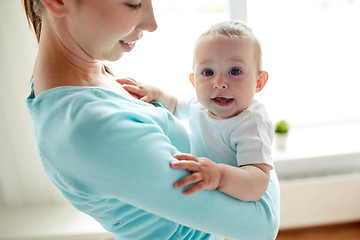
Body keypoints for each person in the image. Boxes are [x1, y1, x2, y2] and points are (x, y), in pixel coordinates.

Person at [24, 0, 280, 239]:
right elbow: (263, 225)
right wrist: (251, 142)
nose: (152, 23)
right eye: (134, 3)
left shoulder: (83, 72)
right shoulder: (92, 129)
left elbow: (182, 108)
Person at [118, 21, 273, 202]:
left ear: (259, 82)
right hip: (202, 189)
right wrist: (155, 93)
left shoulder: (251, 122)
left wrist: (220, 176)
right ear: (194, 81)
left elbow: (258, 183)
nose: (219, 82)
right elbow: (175, 105)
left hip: (230, 199)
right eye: (208, 72)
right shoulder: (199, 106)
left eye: (235, 71)